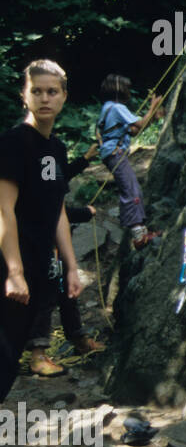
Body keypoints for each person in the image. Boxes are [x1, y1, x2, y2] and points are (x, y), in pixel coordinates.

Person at [0, 60, 86, 447]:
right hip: (9, 270)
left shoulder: (58, 151)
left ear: (65, 96)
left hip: (39, 270)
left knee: (10, 358)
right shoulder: (14, 144)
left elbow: (57, 215)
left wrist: (70, 266)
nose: (46, 98)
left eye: (54, 91)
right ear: (25, 94)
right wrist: (14, 272)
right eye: (38, 91)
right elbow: (3, 213)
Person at [25, 152, 105, 376]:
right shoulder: (28, 160)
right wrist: (84, 213)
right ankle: (37, 354)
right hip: (38, 245)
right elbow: (46, 210)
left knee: (67, 291)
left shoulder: (50, 155)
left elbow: (60, 180)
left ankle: (78, 338)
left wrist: (86, 158)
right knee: (46, 295)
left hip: (53, 242)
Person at [97, 74, 164, 251]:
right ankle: (138, 235)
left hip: (111, 153)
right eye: (127, 89)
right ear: (119, 91)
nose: (129, 92)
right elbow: (140, 124)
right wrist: (152, 108)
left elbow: (134, 131)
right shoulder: (117, 107)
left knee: (131, 187)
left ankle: (140, 231)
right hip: (115, 152)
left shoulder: (108, 107)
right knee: (131, 189)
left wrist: (153, 116)